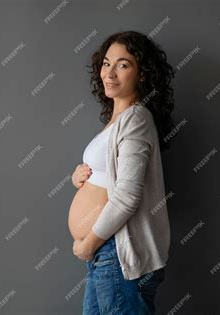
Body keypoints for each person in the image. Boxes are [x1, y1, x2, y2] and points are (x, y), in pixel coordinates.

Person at [71, 30, 176, 314]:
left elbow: (128, 195)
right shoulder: (116, 122)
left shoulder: (135, 119)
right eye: (107, 63)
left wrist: (89, 243)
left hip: (117, 253)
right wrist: (80, 177)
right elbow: (110, 176)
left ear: (143, 74)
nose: (110, 72)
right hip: (105, 253)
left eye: (123, 64)